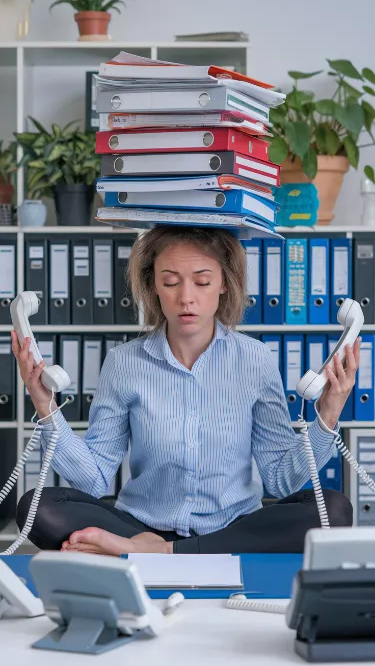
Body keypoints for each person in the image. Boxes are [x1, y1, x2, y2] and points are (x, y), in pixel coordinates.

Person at [15, 226, 356, 556]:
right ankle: (165, 548)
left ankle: (162, 552)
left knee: (334, 511)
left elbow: (281, 480)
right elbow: (93, 480)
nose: (186, 297)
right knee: (38, 507)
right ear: (154, 287)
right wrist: (46, 407)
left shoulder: (256, 360)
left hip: (231, 527)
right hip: (139, 526)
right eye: (170, 282)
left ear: (224, 283)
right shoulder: (123, 363)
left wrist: (328, 414)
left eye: (202, 281)